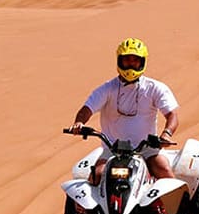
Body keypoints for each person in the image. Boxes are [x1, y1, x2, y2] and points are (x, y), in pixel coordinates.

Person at [69, 37, 179, 184]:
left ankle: (182, 200)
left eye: (135, 60)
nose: (131, 64)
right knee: (97, 176)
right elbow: (87, 108)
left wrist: (166, 134)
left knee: (163, 170)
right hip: (113, 149)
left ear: (142, 62)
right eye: (127, 60)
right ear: (119, 61)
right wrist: (79, 122)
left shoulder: (155, 88)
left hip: (146, 149)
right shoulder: (107, 88)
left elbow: (172, 115)